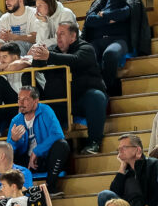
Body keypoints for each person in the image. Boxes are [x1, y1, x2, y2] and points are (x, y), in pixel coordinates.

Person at [31, 20, 108, 154]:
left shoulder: (86, 49)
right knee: (40, 106)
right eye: (57, 34)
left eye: (62, 34)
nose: (58, 37)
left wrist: (49, 56)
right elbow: (37, 65)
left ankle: (94, 142)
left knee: (96, 97)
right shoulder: (52, 50)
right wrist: (38, 54)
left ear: (73, 36)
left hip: (82, 100)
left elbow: (75, 60)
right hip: (60, 102)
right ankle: (42, 150)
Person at [7, 86, 70, 194]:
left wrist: (36, 151)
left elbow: (58, 134)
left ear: (36, 100)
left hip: (45, 159)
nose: (21, 103)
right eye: (19, 99)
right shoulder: (16, 120)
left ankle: (50, 187)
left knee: (62, 145)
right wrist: (13, 140)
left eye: (25, 99)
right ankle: (17, 192)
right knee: (3, 154)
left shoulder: (45, 110)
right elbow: (8, 150)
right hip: (26, 162)